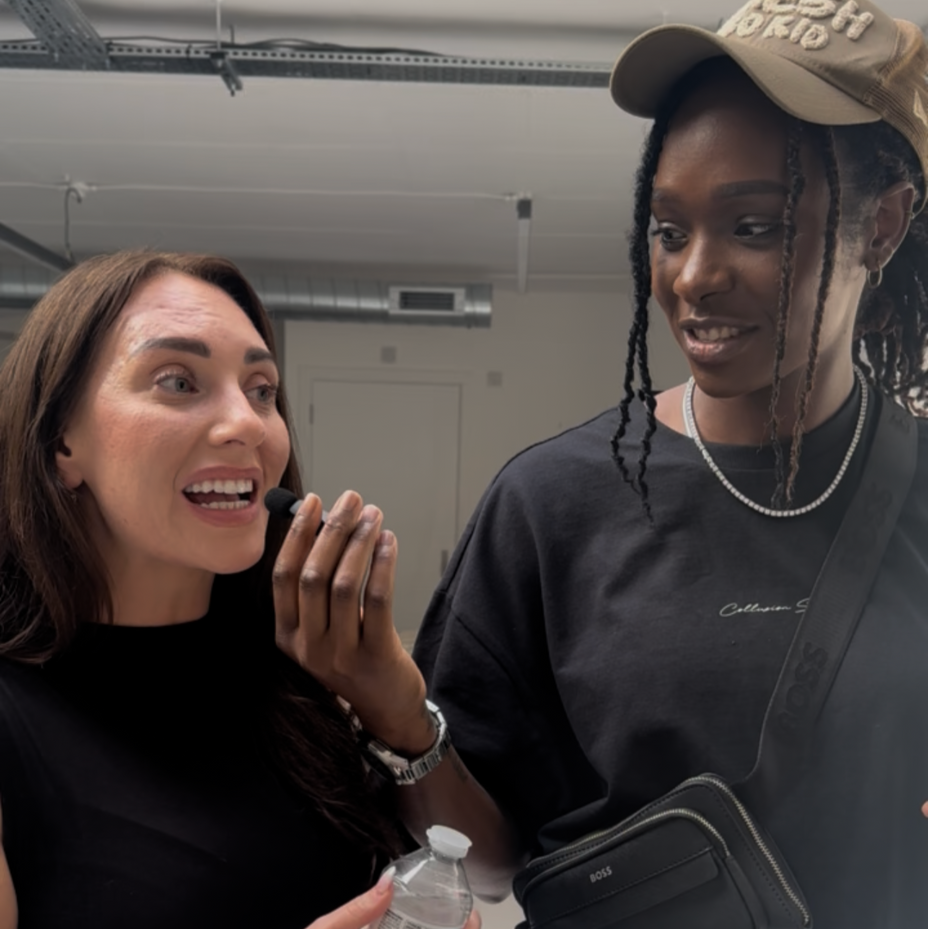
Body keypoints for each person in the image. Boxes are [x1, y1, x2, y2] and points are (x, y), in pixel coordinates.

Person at [293, 1, 928, 927]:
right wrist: (397, 712)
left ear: (882, 227)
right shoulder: (552, 505)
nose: (694, 275)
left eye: (756, 227)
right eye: (670, 229)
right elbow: (491, 858)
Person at [0, 250, 470, 929]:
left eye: (261, 389)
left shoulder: (298, 681)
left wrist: (400, 712)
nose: (249, 424)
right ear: (61, 442)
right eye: (178, 381)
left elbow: (479, 865)